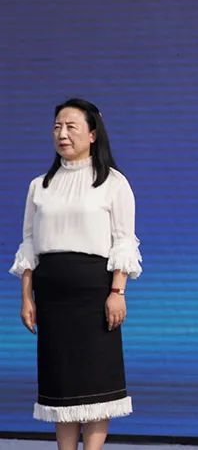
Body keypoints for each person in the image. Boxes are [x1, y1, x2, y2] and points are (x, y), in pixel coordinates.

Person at [10, 98, 142, 450]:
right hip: (52, 297)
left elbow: (123, 240)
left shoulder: (113, 183)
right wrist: (26, 297)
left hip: (94, 294)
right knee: (61, 385)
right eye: (57, 127)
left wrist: (117, 292)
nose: (62, 134)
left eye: (71, 127)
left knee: (97, 384)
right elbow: (29, 243)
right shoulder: (40, 185)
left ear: (93, 134)